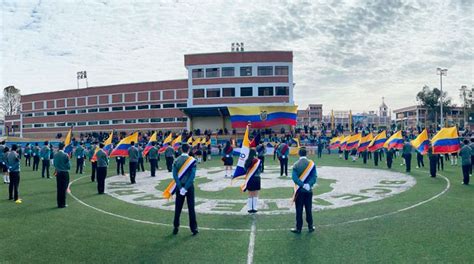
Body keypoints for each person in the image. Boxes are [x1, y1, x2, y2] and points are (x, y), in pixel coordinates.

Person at [172, 143, 198, 236]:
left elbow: (175, 175)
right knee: (191, 208)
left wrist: (180, 187)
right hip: (189, 187)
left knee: (178, 207)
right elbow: (192, 176)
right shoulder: (192, 160)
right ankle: (194, 228)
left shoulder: (176, 160)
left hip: (179, 187)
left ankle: (176, 226)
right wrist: (186, 187)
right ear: (188, 150)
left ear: (181, 150)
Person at [291, 147, 317, 234]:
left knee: (299, 210)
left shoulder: (295, 164)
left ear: (299, 154)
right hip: (309, 190)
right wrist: (308, 185)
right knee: (308, 209)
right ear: (306, 154)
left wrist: (302, 185)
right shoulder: (311, 164)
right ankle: (310, 227)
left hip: (299, 191)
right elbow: (314, 177)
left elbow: (294, 178)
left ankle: (298, 228)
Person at [243, 149, 261, 213]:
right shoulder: (258, 161)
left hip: (249, 178)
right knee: (255, 193)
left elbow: (245, 169)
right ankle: (255, 208)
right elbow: (260, 170)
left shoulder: (247, 161)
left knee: (250, 193)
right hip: (256, 178)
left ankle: (250, 208)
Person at [53, 143, 70, 208]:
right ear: (63, 147)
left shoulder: (55, 154)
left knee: (59, 188)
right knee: (64, 188)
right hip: (64, 173)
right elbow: (68, 166)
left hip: (58, 173)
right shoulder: (65, 155)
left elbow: (54, 164)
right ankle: (63, 203)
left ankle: (59, 203)